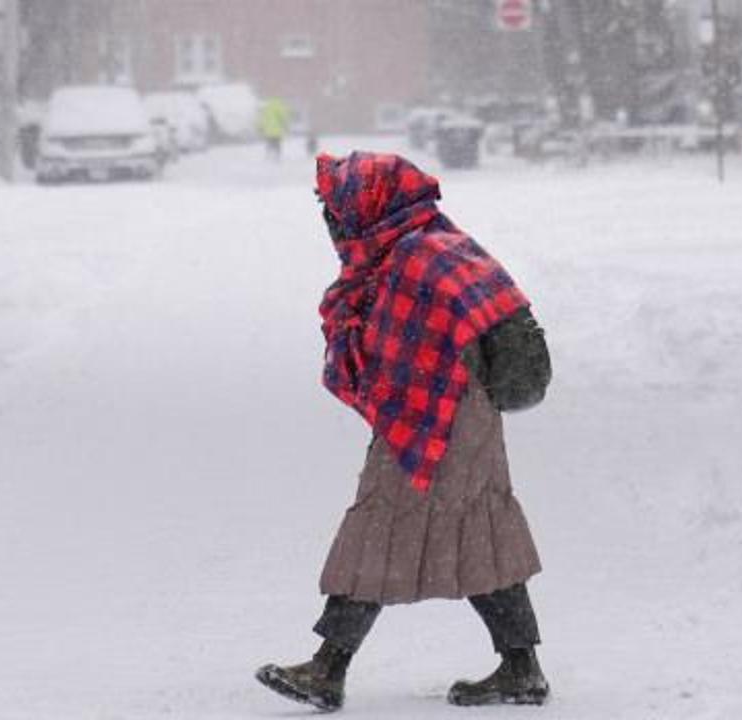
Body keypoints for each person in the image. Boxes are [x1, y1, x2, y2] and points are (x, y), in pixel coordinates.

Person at [256, 152, 553, 711]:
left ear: (371, 206)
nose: (335, 224)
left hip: (434, 416)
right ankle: (521, 668)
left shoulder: (412, 259)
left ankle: (327, 667)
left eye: (339, 210)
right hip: (462, 413)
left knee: (382, 523)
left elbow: (404, 349)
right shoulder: (434, 242)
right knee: (473, 526)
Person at [258, 97, 291, 161]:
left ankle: (268, 155)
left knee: (269, 143)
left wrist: (260, 127)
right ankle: (276, 156)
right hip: (277, 130)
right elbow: (283, 118)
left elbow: (262, 118)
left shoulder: (266, 107)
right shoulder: (279, 106)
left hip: (268, 130)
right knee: (277, 144)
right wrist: (286, 127)